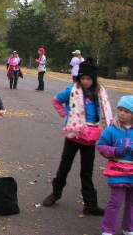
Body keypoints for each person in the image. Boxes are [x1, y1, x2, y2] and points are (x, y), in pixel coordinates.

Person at [43, 59, 114, 215]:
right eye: (82, 78)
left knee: (86, 171)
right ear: (79, 78)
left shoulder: (99, 92)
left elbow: (106, 112)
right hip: (73, 135)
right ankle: (55, 193)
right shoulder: (72, 90)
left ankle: (90, 204)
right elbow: (56, 100)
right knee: (65, 166)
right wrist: (65, 116)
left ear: (94, 79)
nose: (85, 81)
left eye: (88, 79)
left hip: (90, 137)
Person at [98, 95, 133, 235]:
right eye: (120, 110)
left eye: (126, 111)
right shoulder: (112, 129)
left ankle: (128, 228)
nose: (122, 113)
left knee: (131, 203)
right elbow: (101, 146)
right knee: (115, 202)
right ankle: (108, 229)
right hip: (117, 170)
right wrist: (115, 151)